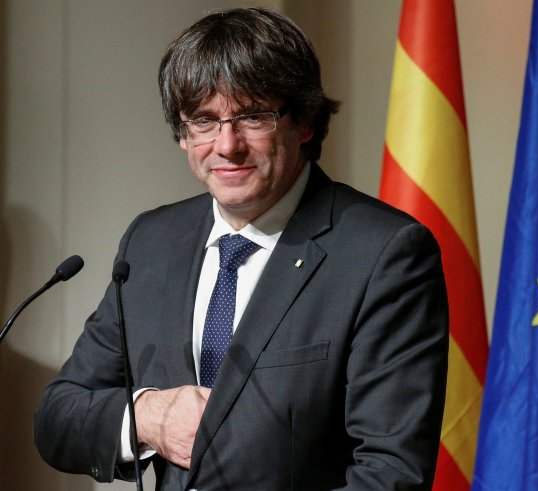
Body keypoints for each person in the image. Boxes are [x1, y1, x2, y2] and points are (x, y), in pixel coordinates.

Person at [34, 8, 448, 491]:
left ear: (305, 121)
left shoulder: (385, 253)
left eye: (252, 116)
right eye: (204, 121)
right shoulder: (152, 241)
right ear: (184, 133)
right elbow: (58, 419)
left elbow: (391, 473)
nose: (226, 145)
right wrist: (147, 417)